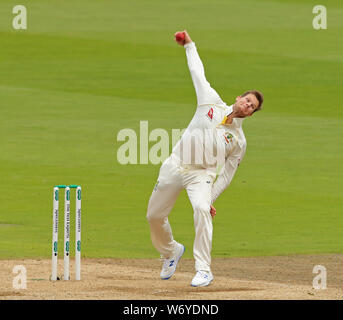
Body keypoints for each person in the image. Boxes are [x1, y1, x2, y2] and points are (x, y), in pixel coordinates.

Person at [146, 30, 263, 287]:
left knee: (201, 209)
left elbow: (228, 174)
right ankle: (171, 251)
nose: (247, 105)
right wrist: (189, 44)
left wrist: (210, 198)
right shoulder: (210, 101)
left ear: (252, 114)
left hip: (202, 175)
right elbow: (197, 73)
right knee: (153, 216)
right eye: (246, 100)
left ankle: (204, 269)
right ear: (238, 98)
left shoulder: (239, 142)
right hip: (175, 165)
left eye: (252, 106)